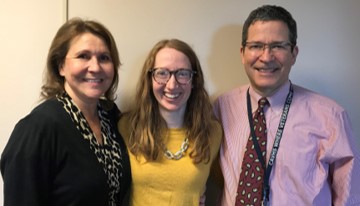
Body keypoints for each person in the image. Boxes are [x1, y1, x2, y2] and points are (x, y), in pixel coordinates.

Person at [213, 5, 360, 206]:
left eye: (278, 46)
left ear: (294, 53)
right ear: (242, 53)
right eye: (256, 46)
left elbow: (350, 198)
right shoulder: (221, 107)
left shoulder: (331, 116)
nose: (266, 57)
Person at [0, 17, 131, 206]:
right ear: (61, 66)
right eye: (83, 56)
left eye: (104, 58)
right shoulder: (37, 129)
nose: (95, 67)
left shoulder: (110, 117)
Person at [118, 38, 222, 205]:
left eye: (182, 73)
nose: (172, 85)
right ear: (150, 78)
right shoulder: (126, 126)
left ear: (194, 80)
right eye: (162, 73)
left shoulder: (213, 132)